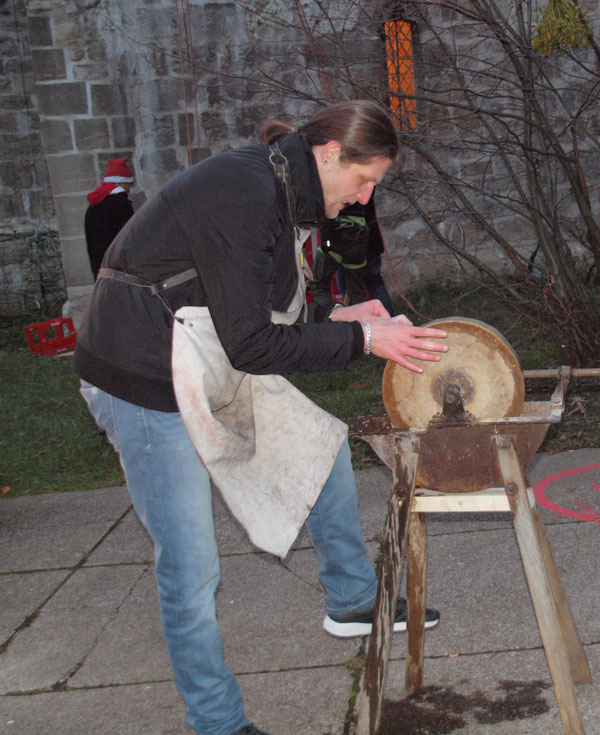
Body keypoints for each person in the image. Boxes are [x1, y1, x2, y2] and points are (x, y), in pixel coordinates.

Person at [73, 100, 449, 735]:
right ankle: (216, 722)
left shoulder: (286, 194)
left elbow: (263, 315)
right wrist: (364, 344)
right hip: (140, 377)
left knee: (322, 447)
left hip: (202, 352)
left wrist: (352, 319)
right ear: (331, 154)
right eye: (364, 181)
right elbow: (252, 344)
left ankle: (353, 600)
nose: (362, 199)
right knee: (191, 568)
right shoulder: (244, 192)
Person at [313, 192, 395, 314]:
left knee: (320, 285)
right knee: (363, 288)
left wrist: (326, 240)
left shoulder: (339, 185)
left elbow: (327, 206)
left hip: (342, 235)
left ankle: (336, 323)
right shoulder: (364, 184)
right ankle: (384, 323)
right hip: (364, 238)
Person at [84, 157, 135, 278]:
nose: (128, 189)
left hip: (101, 267)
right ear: (121, 183)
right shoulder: (121, 204)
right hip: (119, 267)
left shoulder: (93, 206)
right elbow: (129, 236)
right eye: (128, 184)